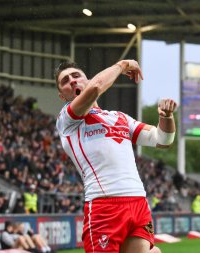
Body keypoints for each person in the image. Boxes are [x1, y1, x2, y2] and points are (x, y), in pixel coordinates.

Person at [55, 59, 176, 253]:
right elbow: (96, 87)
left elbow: (163, 139)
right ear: (62, 96)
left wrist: (166, 117)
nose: (72, 81)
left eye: (76, 76)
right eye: (65, 81)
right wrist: (123, 65)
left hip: (137, 201)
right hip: (104, 205)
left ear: (86, 79)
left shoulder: (119, 118)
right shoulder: (67, 120)